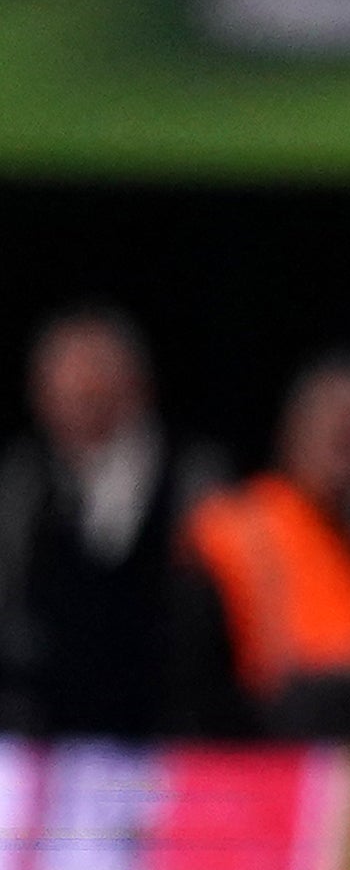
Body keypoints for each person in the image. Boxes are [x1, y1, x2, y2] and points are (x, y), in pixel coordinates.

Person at [178, 351, 350, 751]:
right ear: (292, 432)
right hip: (274, 765)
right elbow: (196, 690)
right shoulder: (231, 531)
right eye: (336, 426)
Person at [0, 307, 215, 739]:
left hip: (166, 730)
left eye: (95, 394)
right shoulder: (22, 482)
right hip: (46, 737)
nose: (77, 408)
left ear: (138, 390)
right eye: (63, 395)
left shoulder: (193, 476)